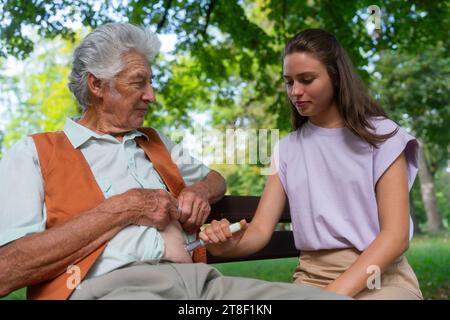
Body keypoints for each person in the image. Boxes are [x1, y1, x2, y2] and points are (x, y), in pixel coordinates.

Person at [0, 23, 347, 300]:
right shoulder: (34, 153)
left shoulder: (155, 141)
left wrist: (200, 190)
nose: (151, 95)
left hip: (203, 285)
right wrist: (124, 209)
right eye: (139, 83)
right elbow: (7, 270)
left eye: (151, 82)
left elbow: (217, 180)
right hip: (116, 289)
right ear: (97, 85)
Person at [200, 29, 423, 300]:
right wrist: (226, 247)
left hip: (382, 278)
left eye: (307, 80)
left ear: (336, 77)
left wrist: (332, 295)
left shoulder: (382, 136)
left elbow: (396, 236)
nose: (295, 92)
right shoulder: (286, 150)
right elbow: (259, 230)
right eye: (288, 82)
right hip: (311, 279)